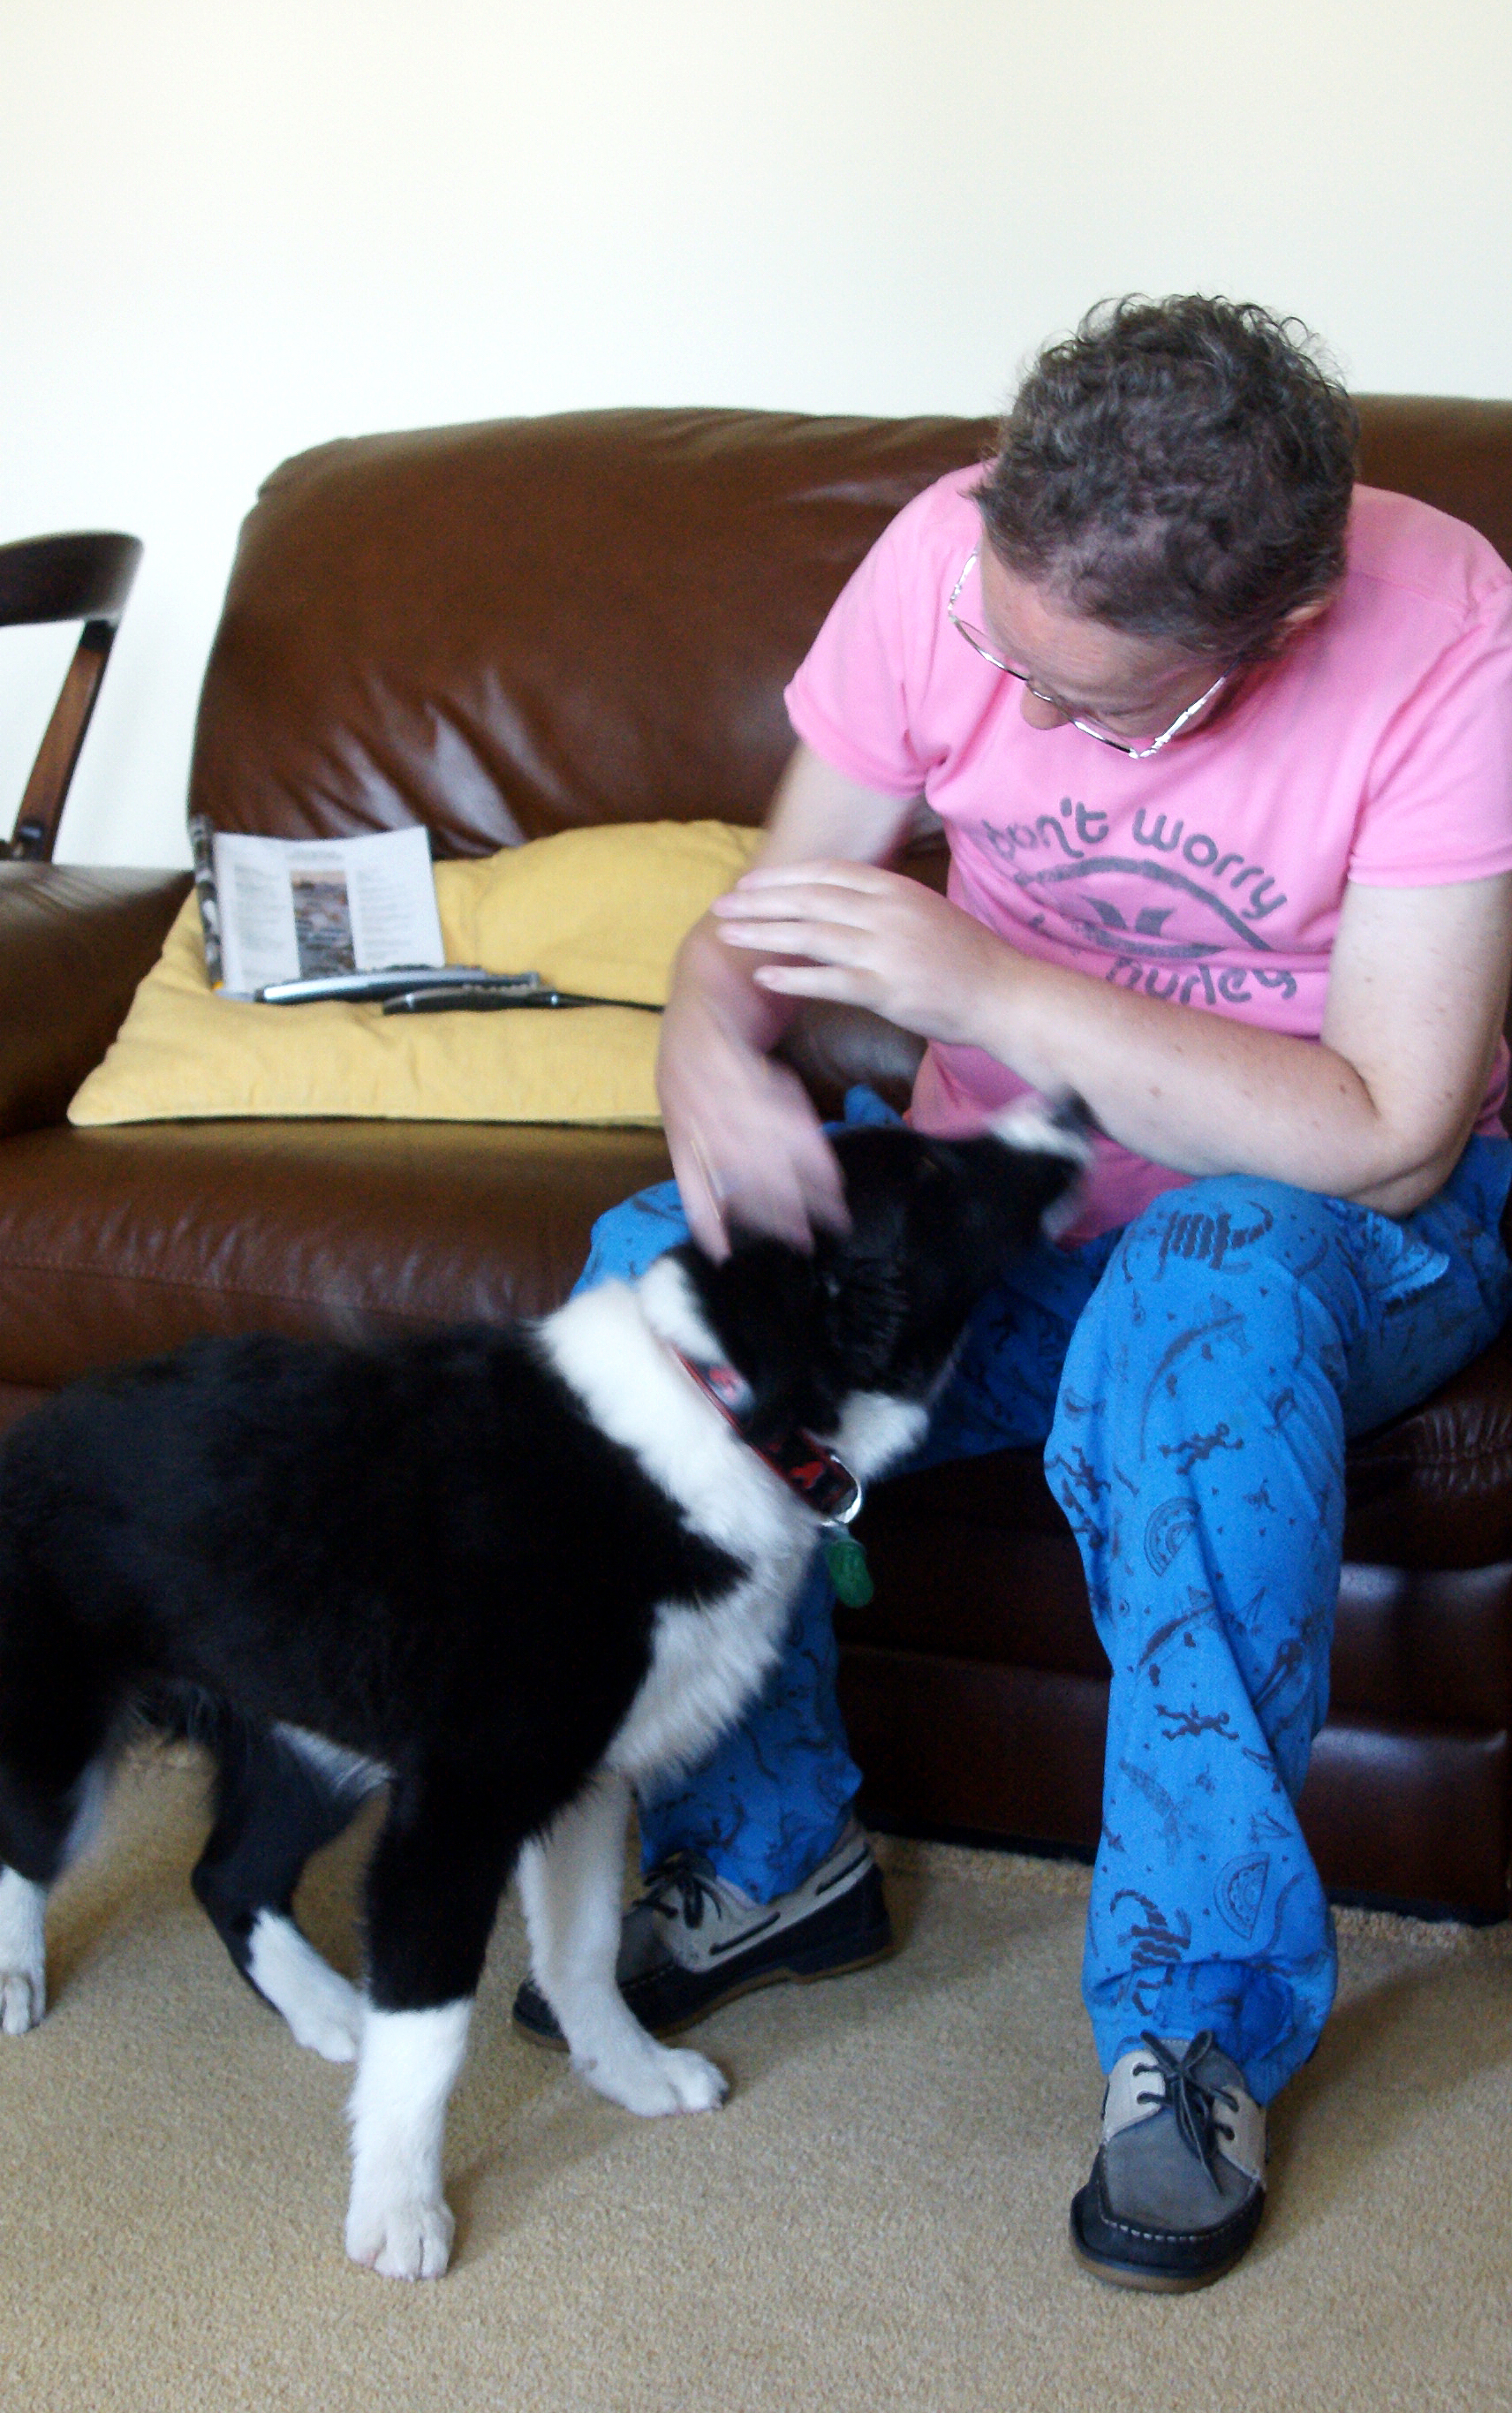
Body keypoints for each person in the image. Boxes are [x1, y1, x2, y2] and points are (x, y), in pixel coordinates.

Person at [512, 296, 1512, 2288]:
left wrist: (990, 987)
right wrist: (705, 1047)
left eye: (1097, 707)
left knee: (1197, 1314)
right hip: (1016, 1199)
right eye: (1002, 659)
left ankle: (1189, 2020)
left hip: (1325, 1221)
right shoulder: (947, 559)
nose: (1023, 722)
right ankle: (773, 1849)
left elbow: (1390, 1129)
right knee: (655, 1279)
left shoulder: (1449, 631)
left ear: (1278, 627)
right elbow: (762, 942)